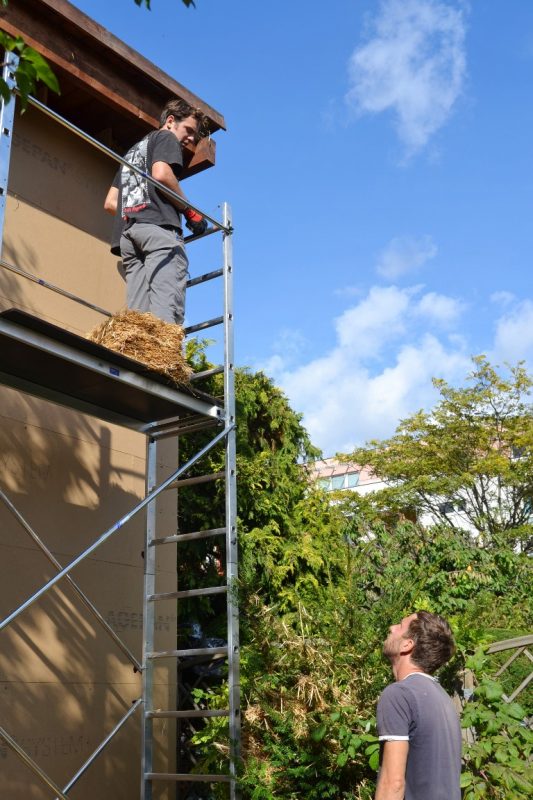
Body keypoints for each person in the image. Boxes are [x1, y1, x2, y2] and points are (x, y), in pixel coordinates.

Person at [104, 98, 207, 325]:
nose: (190, 139)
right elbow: (161, 174)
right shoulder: (165, 137)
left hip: (129, 236)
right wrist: (189, 211)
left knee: (139, 319)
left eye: (195, 136)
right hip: (158, 232)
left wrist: (137, 215)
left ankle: (137, 360)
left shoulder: (132, 153)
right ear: (170, 121)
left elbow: (111, 203)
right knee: (165, 312)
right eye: (188, 130)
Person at [374, 611, 462, 800]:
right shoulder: (444, 699)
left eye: (400, 626)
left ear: (407, 645)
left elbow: (393, 783)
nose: (391, 628)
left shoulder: (400, 694)